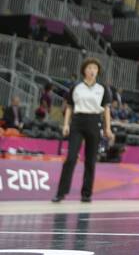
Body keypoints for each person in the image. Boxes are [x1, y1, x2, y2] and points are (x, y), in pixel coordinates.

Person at [53, 58, 114, 203]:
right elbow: (69, 107)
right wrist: (66, 124)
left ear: (98, 71)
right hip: (78, 122)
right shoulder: (76, 87)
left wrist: (108, 128)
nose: (92, 70)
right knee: (71, 158)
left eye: (95, 68)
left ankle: (86, 194)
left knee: (90, 160)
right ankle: (61, 193)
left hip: (94, 122)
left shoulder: (102, 89)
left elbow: (106, 109)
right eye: (89, 68)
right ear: (84, 71)